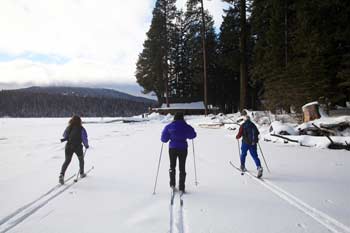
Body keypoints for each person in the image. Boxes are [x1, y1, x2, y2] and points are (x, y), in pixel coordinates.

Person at [161, 112, 196, 193]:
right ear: (182, 118)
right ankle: (181, 187)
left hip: (172, 148)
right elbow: (193, 135)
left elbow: (164, 139)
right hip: (183, 148)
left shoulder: (169, 126)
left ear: (174, 118)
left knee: (172, 166)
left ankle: (172, 185)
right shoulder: (186, 126)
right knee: (182, 167)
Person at [59, 115, 89, 184]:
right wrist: (86, 145)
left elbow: (64, 135)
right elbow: (84, 138)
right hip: (78, 147)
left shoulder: (69, 127)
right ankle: (81, 173)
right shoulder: (81, 129)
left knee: (67, 161)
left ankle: (61, 174)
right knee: (81, 160)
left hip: (68, 146)